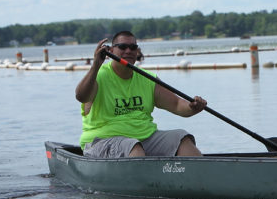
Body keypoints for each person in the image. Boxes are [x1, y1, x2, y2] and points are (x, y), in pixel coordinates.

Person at [76, 31, 207, 158]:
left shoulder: (147, 78)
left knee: (181, 137)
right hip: (101, 141)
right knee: (133, 147)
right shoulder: (97, 76)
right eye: (122, 47)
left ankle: (202, 178)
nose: (128, 51)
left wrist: (193, 107)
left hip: (144, 138)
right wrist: (95, 65)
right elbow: (81, 96)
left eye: (133, 47)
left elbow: (177, 104)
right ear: (110, 51)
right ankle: (146, 178)